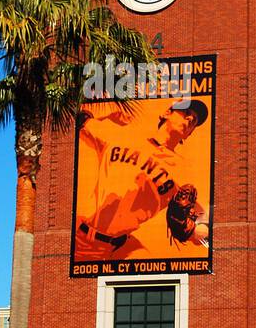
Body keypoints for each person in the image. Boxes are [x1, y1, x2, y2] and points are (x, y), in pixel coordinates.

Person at [74, 99, 210, 264]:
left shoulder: (183, 169)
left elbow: (203, 223)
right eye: (186, 113)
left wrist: (194, 231)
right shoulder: (122, 135)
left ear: (189, 134)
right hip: (81, 238)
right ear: (166, 113)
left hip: (123, 247)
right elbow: (80, 120)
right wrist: (110, 111)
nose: (190, 119)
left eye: (194, 121)